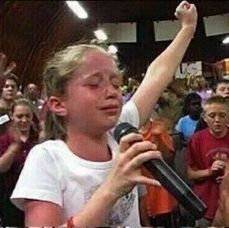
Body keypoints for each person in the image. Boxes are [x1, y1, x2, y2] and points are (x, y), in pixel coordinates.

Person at [11, 1, 197, 226]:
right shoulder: (48, 159)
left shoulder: (118, 129)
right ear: (58, 104)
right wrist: (111, 189)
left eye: (115, 83)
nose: (112, 93)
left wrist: (187, 29)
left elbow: (157, 75)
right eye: (94, 84)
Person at [187, 96, 229, 226]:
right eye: (212, 116)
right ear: (204, 117)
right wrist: (210, 171)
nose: (217, 120)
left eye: (222, 115)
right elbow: (190, 174)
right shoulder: (196, 140)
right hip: (206, 205)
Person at [0, 98, 39, 226]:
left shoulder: (39, 139)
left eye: (28, 116)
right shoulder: (4, 139)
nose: (24, 120)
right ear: (12, 116)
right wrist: (14, 147)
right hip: (10, 199)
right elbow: (2, 168)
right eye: (19, 116)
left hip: (35, 198)